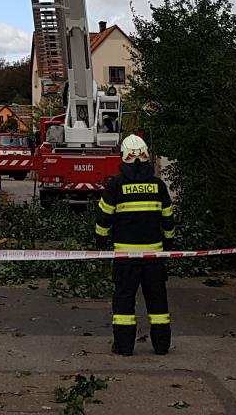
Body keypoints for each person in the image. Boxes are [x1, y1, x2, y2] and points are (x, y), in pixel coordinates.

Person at [95, 134, 174, 356]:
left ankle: (124, 346)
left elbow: (103, 219)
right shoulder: (158, 186)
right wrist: (168, 243)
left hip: (125, 257)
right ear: (147, 156)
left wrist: (100, 241)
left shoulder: (115, 186)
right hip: (154, 258)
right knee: (158, 302)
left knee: (124, 303)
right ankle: (161, 346)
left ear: (124, 157)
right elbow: (168, 219)